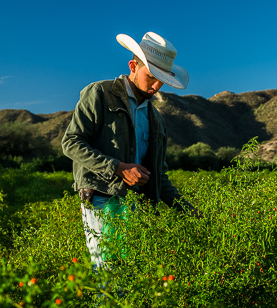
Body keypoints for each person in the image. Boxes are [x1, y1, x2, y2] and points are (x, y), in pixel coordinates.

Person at [62, 30, 199, 273]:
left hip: (139, 205)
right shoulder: (100, 94)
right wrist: (118, 168)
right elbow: (72, 142)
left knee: (132, 277)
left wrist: (188, 211)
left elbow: (159, 175)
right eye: (151, 77)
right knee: (109, 274)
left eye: (162, 80)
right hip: (102, 198)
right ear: (133, 65)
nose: (156, 86)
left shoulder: (155, 119)